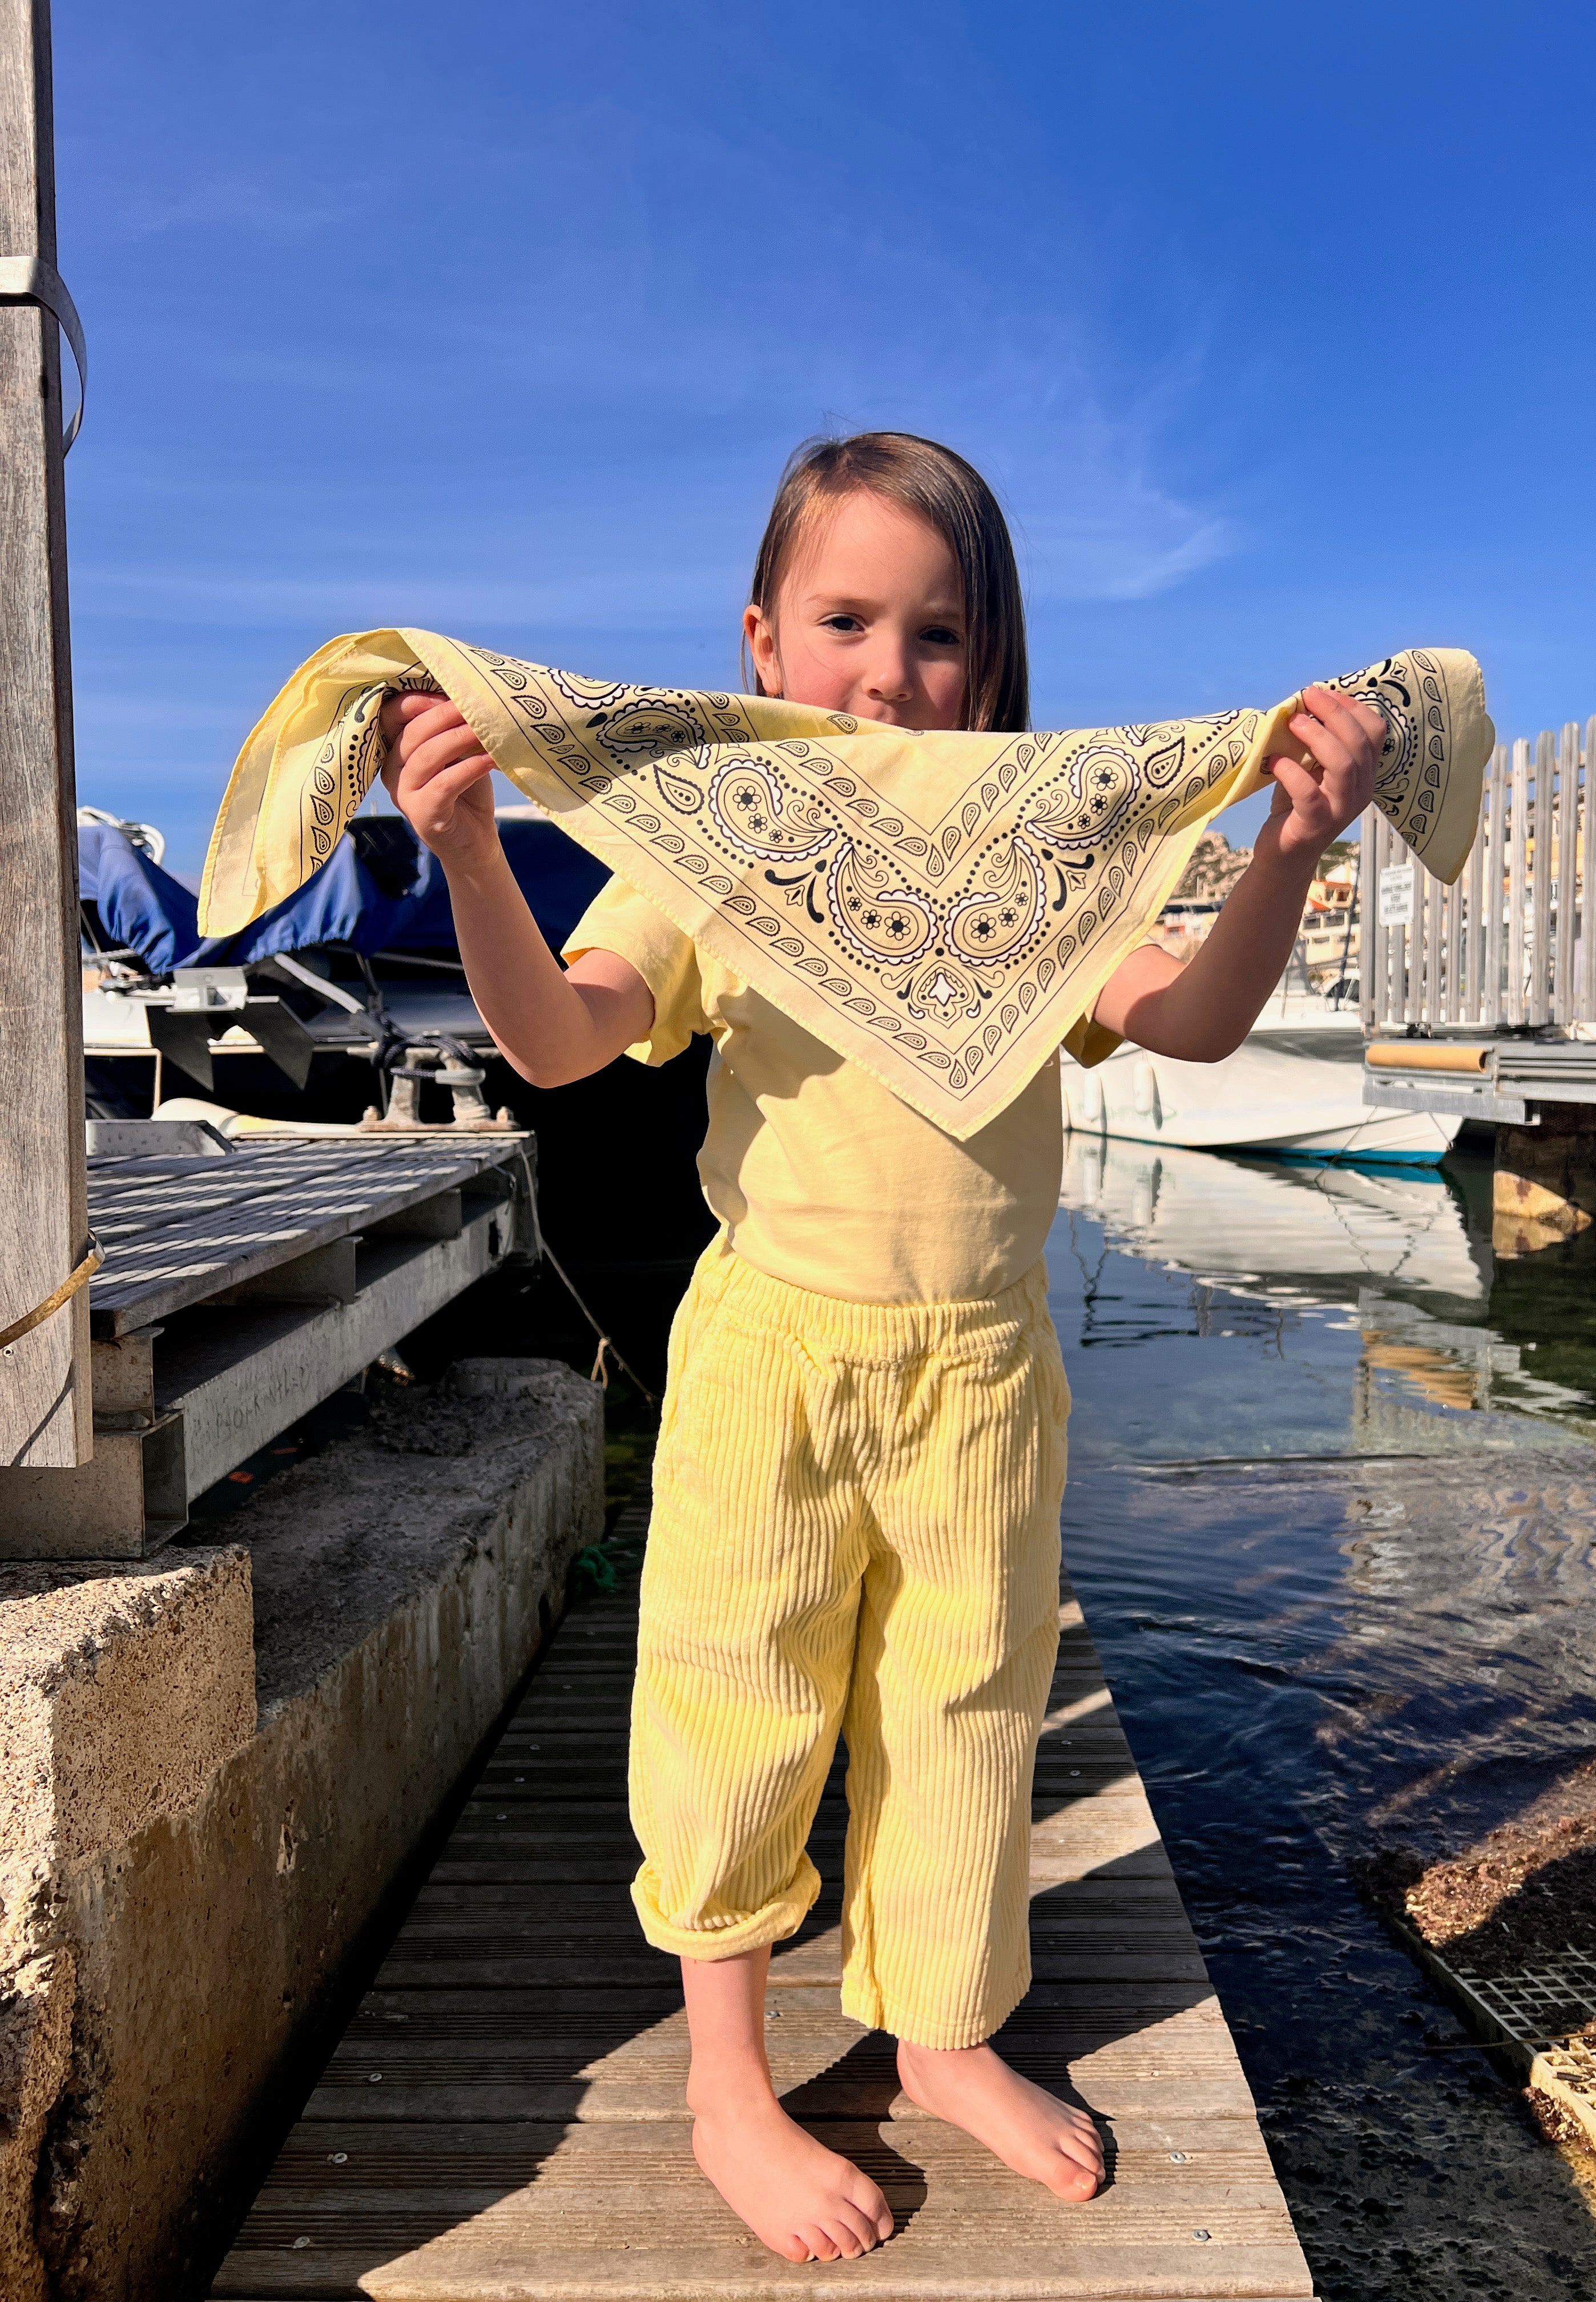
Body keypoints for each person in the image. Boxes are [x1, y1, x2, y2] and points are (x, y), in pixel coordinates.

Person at [378, 431, 1383, 2264]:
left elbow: (1199, 1018)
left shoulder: (1039, 871)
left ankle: (939, 2035)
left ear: (994, 671)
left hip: (986, 1369)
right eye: (847, 619)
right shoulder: (718, 851)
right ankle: (727, 2084)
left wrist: (1286, 853)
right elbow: (561, 1041)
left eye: (941, 636)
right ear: (762, 643)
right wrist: (466, 853)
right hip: (775, 1347)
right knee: (733, 1703)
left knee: (968, 1709)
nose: (888, 671)